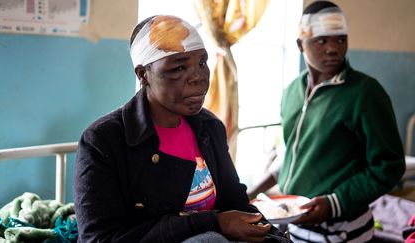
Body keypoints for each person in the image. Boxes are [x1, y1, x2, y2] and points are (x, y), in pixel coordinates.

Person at [74, 15, 290, 243]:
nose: (198, 77)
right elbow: (99, 238)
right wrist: (212, 222)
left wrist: (272, 235)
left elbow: (233, 202)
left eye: (202, 63)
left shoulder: (209, 128)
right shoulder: (103, 141)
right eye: (178, 67)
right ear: (142, 74)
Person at [248, 1, 406, 242]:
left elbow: (389, 166)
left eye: (340, 39)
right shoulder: (293, 91)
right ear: (301, 44)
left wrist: (335, 203)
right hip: (294, 224)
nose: (333, 49)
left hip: (342, 231)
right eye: (322, 40)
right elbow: (292, 153)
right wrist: (249, 193)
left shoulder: (365, 93)